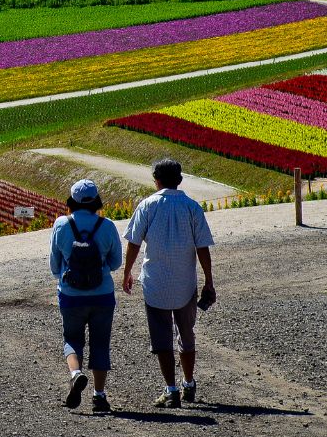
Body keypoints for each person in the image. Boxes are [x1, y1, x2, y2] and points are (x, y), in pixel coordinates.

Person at [122, 158, 216, 408]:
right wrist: (209, 280)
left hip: (155, 282)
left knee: (161, 338)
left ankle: (171, 389)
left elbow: (134, 242)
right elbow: (202, 247)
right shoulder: (192, 207)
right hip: (185, 282)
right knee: (187, 335)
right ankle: (188, 382)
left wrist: (127, 272)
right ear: (180, 180)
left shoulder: (147, 205)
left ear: (156, 180)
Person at [50, 179, 123, 412]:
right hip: (102, 295)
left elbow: (54, 264)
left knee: (72, 339)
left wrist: (63, 275)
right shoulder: (107, 225)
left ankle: (76, 373)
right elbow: (115, 262)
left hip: (71, 295)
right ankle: (99, 396)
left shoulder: (62, 224)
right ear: (97, 201)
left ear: (71, 201)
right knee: (100, 342)